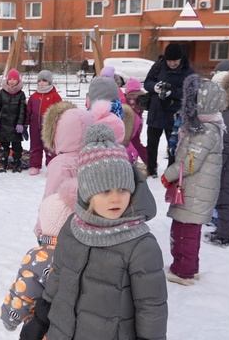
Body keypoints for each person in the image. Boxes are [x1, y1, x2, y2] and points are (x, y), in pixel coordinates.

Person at [41, 124, 167, 340]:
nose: (116, 198)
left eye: (123, 189)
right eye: (105, 190)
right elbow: (59, 274)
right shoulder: (73, 226)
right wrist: (41, 316)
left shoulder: (140, 245)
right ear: (88, 193)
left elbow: (151, 307)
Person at [161, 75, 226, 285]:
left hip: (195, 191)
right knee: (185, 230)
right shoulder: (208, 127)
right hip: (193, 188)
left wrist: (168, 175)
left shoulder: (205, 131)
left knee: (185, 233)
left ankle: (184, 270)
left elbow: (190, 162)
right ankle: (188, 265)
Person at [0, 190, 71, 340]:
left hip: (42, 328)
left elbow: (24, 291)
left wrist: (9, 318)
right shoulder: (81, 253)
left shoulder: (39, 256)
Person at [36, 101, 93, 236]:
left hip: (62, 227)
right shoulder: (94, 158)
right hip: (90, 226)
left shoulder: (61, 164)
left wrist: (40, 227)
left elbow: (50, 197)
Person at [144, 43, 194, 177]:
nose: (172, 64)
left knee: (173, 145)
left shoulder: (188, 71)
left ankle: (171, 172)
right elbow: (147, 82)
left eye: (175, 61)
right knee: (152, 143)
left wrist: (172, 92)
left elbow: (191, 92)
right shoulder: (159, 66)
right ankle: (151, 168)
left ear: (181, 58)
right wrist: (155, 87)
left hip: (175, 114)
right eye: (170, 61)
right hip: (156, 110)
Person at [208, 69, 229, 247]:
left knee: (224, 199)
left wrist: (217, 165)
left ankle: (225, 235)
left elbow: (225, 145)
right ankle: (223, 230)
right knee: (226, 197)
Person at [25, 70, 61, 175]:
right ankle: (35, 165)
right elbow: (28, 111)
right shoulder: (34, 96)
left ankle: (51, 166)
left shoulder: (55, 96)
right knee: (35, 145)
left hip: (49, 126)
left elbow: (60, 110)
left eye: (44, 81)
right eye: (39, 81)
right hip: (35, 125)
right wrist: (25, 123)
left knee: (49, 147)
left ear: (49, 82)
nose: (41, 83)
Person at [0, 68, 26, 173]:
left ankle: (17, 164)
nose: (11, 81)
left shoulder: (21, 94)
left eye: (14, 79)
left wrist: (20, 124)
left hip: (16, 126)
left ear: (18, 81)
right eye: (10, 79)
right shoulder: (1, 93)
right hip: (4, 125)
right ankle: (3, 164)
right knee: (4, 146)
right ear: (7, 80)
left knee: (17, 147)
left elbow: (22, 110)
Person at [124, 78, 147, 164]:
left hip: (132, 124)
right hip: (136, 123)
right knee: (136, 143)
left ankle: (146, 160)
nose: (132, 96)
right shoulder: (141, 98)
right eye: (131, 94)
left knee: (135, 143)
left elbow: (131, 110)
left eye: (134, 94)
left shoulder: (131, 99)